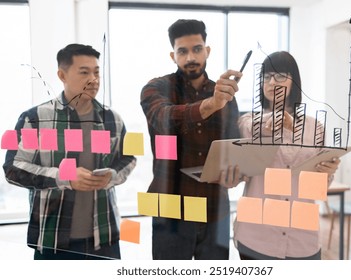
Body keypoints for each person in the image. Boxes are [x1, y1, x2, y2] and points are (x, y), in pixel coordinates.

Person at [3, 44, 136, 260]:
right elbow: (13, 169)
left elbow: (127, 159)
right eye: (84, 72)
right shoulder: (35, 119)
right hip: (53, 240)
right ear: (62, 75)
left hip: (105, 237)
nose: (93, 79)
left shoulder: (113, 118)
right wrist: (65, 177)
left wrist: (112, 176)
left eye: (96, 72)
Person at [140, 19, 243, 260]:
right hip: (171, 210)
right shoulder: (156, 88)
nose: (191, 58)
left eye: (197, 49)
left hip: (215, 209)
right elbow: (163, 117)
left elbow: (234, 147)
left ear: (207, 50)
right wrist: (211, 105)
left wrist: (235, 174)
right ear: (172, 55)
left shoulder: (226, 96)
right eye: (182, 51)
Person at [230, 51, 340, 260]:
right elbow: (250, 129)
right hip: (256, 235)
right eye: (267, 76)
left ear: (294, 82)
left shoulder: (314, 127)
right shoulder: (247, 122)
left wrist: (327, 172)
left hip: (303, 238)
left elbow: (317, 188)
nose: (272, 82)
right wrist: (276, 118)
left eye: (280, 76)